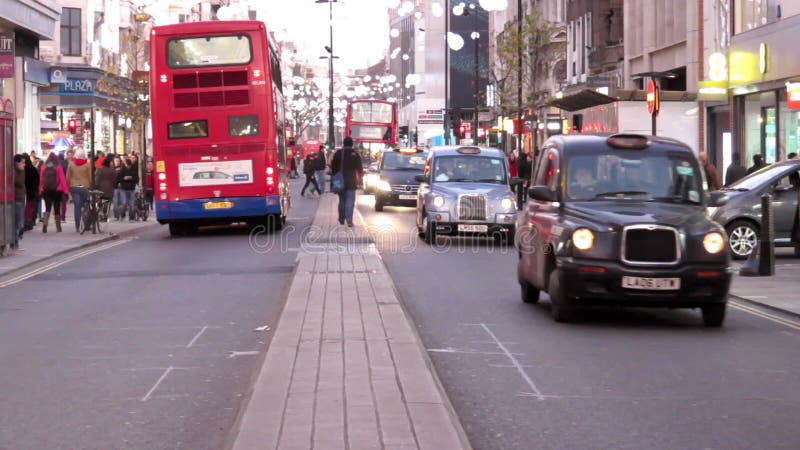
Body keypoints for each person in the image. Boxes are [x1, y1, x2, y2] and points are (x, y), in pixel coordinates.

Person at [330, 136, 363, 226]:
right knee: (350, 201)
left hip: (340, 181)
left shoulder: (338, 153)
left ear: (343, 144)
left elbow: (333, 168)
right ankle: (349, 220)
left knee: (342, 200)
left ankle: (341, 218)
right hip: (352, 181)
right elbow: (360, 169)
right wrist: (360, 182)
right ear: (352, 144)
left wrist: (333, 183)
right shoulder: (355, 154)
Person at [38, 152, 69, 233]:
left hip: (46, 190)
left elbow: (41, 179)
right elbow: (62, 179)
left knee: (47, 208)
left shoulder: (43, 166)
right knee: (57, 208)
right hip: (57, 190)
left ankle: (45, 224)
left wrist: (40, 189)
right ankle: (58, 227)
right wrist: (66, 191)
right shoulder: (58, 166)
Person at [66, 149, 92, 232]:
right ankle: (86, 223)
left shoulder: (71, 164)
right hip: (85, 187)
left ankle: (78, 226)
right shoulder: (87, 165)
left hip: (74, 187)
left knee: (77, 207)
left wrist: (68, 187)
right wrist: (90, 186)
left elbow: (67, 177)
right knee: (86, 205)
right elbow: (90, 177)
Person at [22, 153, 40, 231]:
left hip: (26, 191)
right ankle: (31, 222)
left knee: (27, 208)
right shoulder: (33, 169)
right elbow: (38, 180)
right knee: (32, 208)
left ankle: (26, 223)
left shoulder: (23, 169)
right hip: (33, 191)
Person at [12, 155, 26, 249]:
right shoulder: (16, 172)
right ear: (17, 163)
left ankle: (15, 242)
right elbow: (20, 182)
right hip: (17, 199)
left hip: (20, 199)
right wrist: (21, 171)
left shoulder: (19, 171)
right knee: (19, 223)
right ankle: (15, 243)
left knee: (18, 222)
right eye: (22, 162)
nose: (24, 165)